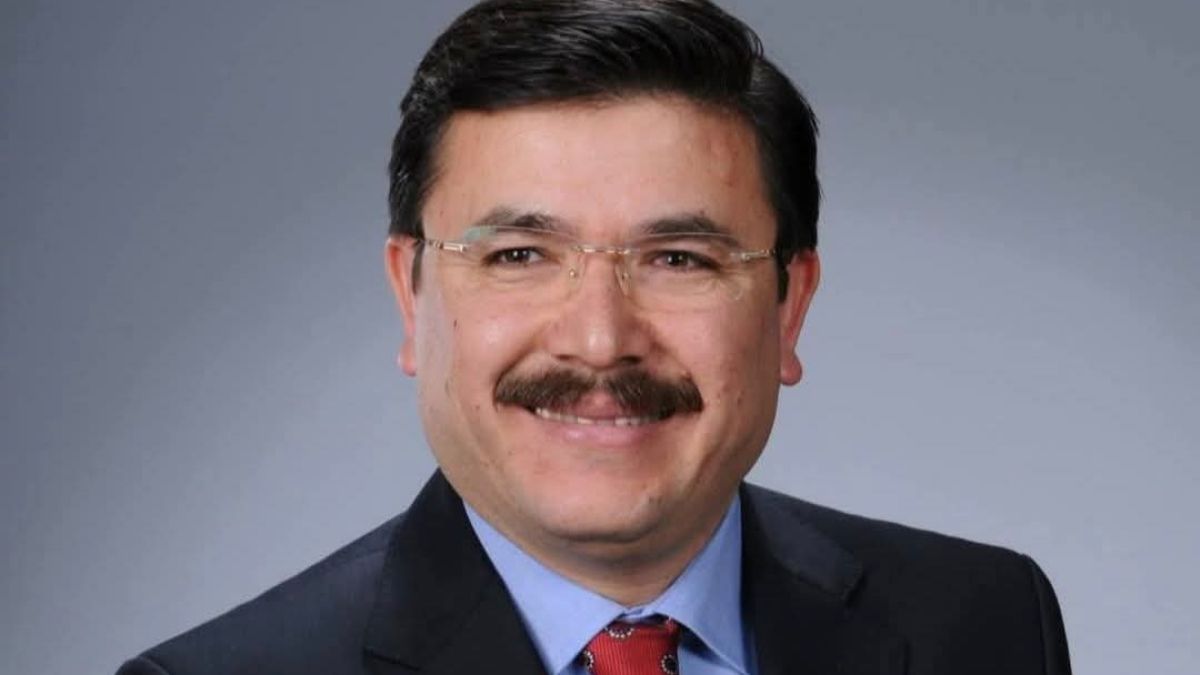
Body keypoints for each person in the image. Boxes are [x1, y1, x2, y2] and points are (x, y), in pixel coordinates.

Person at [118, 1, 1071, 673]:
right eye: (521, 255)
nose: (601, 341)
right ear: (413, 296)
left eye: (680, 258)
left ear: (790, 307)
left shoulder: (987, 625)